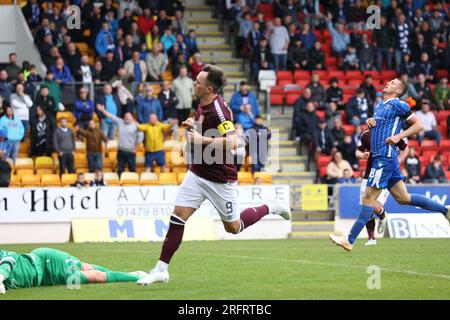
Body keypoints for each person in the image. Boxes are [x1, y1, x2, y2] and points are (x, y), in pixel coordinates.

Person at [137, 64, 291, 285]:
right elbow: (206, 126)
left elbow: (233, 141)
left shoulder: (219, 110)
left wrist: (202, 139)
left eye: (198, 82)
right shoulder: (202, 103)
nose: (194, 83)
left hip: (220, 178)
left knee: (233, 227)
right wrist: (195, 125)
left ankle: (271, 207)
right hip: (198, 172)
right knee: (178, 216)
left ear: (209, 89)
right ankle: (161, 269)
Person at [330, 78, 450, 252]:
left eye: (393, 83)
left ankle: (349, 240)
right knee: (404, 198)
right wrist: (371, 122)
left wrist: (399, 136)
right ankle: (445, 211)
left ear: (398, 91)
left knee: (368, 199)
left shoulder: (398, 104)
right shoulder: (381, 105)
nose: (388, 82)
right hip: (388, 158)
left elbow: (418, 125)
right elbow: (381, 127)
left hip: (383, 158)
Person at [0, 247, 147, 294]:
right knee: (90, 271)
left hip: (47, 264)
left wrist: (1, 276)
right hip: (45, 278)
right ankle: (132, 275)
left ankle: (136, 276)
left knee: (94, 274)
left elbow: (10, 259)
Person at [355, 128, 408, 246]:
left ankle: (383, 215)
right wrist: (362, 154)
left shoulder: (392, 133)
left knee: (374, 205)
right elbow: (357, 151)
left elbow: (405, 148)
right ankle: (372, 238)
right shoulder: (366, 134)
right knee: (366, 206)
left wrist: (397, 161)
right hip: (368, 175)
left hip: (385, 175)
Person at [96, 105, 142, 176]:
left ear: (132, 117)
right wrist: (103, 110)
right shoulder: (120, 121)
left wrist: (136, 148)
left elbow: (140, 138)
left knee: (132, 169)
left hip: (131, 152)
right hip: (121, 151)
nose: (126, 118)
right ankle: (119, 183)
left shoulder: (136, 125)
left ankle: (133, 185)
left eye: (128, 116)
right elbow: (111, 116)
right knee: (120, 169)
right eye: (125, 116)